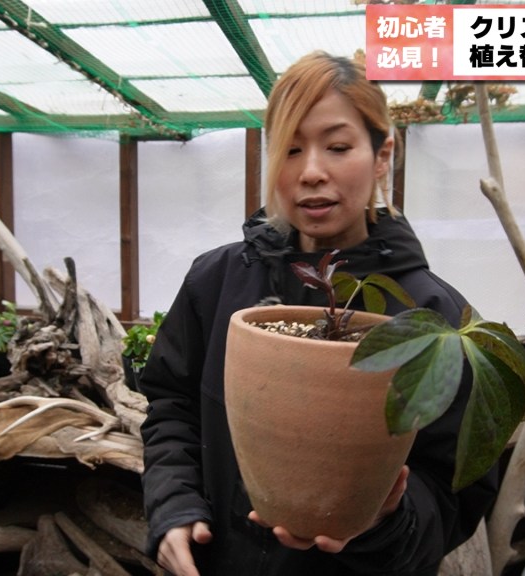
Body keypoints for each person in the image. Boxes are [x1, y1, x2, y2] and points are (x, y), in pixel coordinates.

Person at [139, 50, 498, 575]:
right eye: (290, 149)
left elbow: (453, 493)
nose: (310, 172)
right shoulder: (215, 282)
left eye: (337, 147)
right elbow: (172, 402)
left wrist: (385, 520)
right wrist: (174, 504)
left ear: (382, 155)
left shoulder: (434, 317)